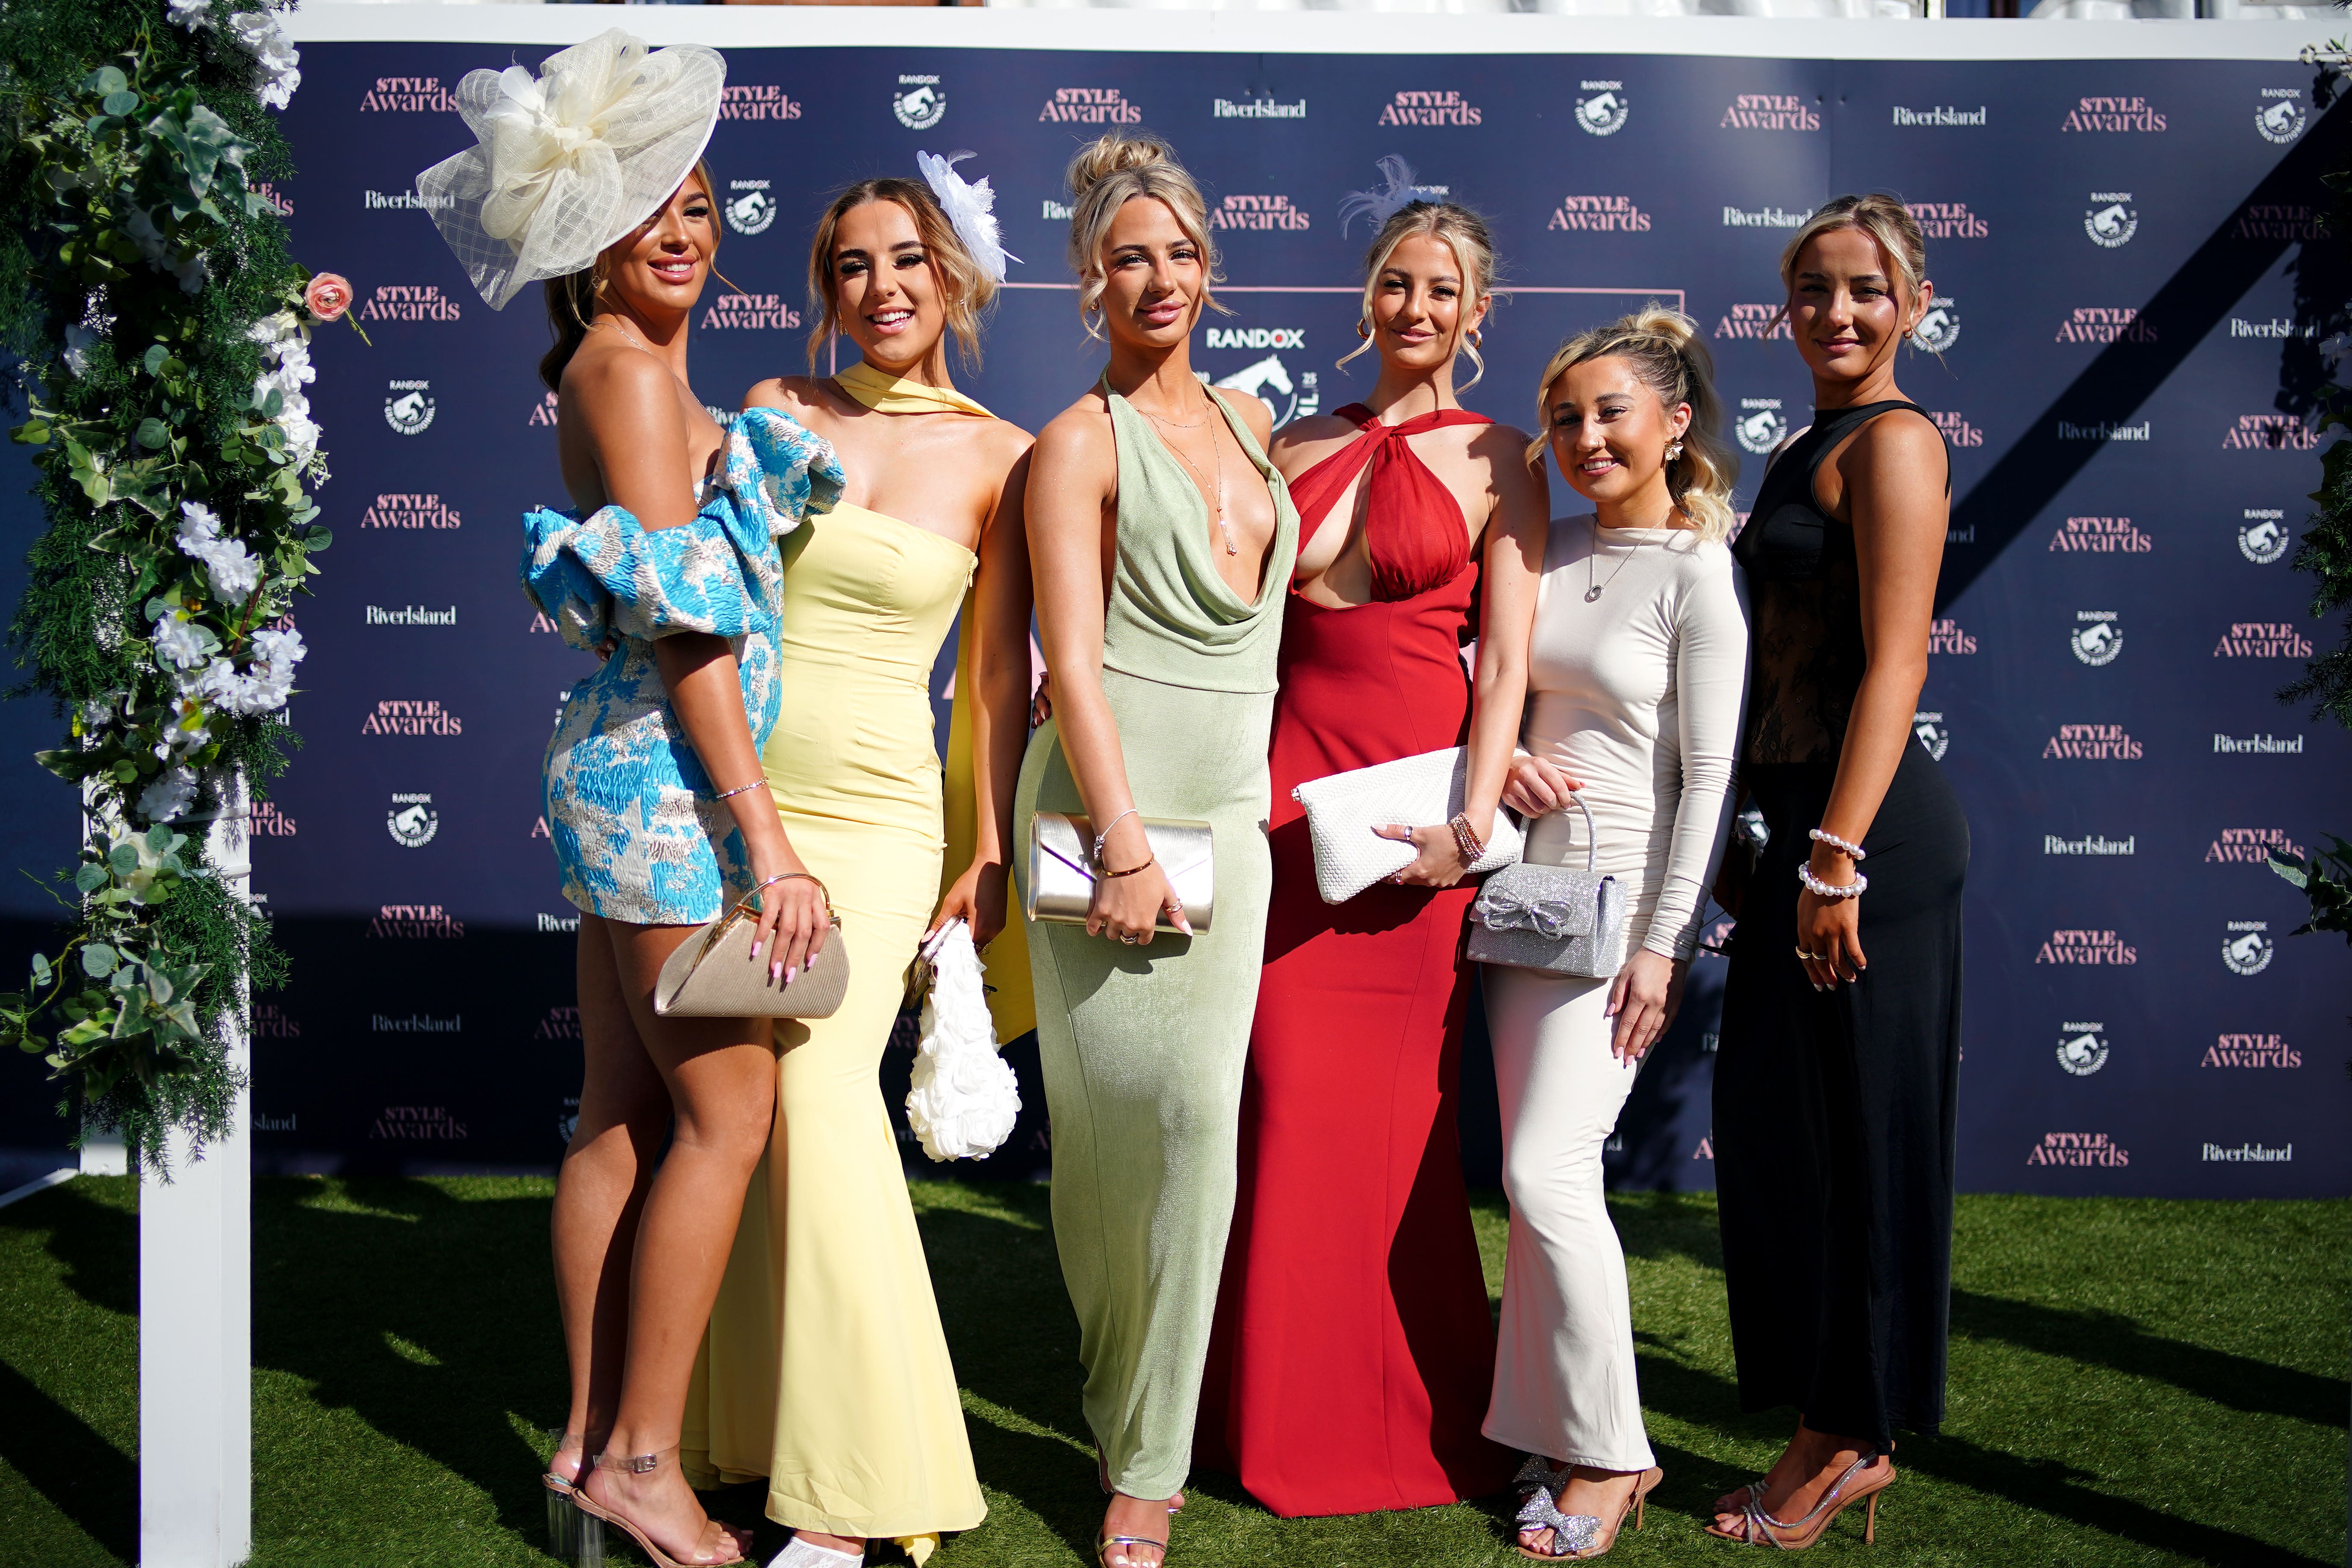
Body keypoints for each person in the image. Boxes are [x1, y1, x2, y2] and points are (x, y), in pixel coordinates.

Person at [419, 31, 838, 1568]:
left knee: (622, 1110)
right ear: (581, 235)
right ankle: (647, 1464)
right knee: (730, 1114)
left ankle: (589, 1443)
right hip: (664, 778)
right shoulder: (628, 372)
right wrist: (767, 835)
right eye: (647, 203)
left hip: (615, 765)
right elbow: (682, 620)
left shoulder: (632, 372)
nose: (683, 228)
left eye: (703, 205)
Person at [686, 161, 1033, 1568]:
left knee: (825, 1104)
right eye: (852, 266)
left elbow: (999, 677)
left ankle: (852, 1498)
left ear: (952, 277)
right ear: (825, 289)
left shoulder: (1006, 455)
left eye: (908, 260)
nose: (882, 288)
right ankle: (758, 1440)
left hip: (885, 818)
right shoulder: (772, 414)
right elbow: (700, 597)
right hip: (739, 803)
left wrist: (991, 844)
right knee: (744, 1112)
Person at [1194, 161, 1543, 1519]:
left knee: (1391, 1132)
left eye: (1440, 289)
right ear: (1367, 296)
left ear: (1476, 312)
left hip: (1411, 821)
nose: (1414, 303)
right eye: (1396, 281)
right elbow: (1229, 623)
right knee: (1276, 1114)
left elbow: (1504, 656)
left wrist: (1473, 819)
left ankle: (1415, 1424)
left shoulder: (1502, 455)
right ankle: (1258, 1416)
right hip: (1281, 809)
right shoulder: (1285, 446)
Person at [1015, 130, 1299, 1568]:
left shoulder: (1255, 421)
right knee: (1120, 1137)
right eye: (1132, 256)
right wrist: (1123, 842)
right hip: (1108, 807)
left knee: (1197, 1126)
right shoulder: (1078, 441)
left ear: (1211, 269)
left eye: (1183, 253)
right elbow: (1069, 657)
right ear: (1088, 280)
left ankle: (1148, 1455)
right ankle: (1129, 1398)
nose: (1161, 276)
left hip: (1231, 817)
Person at [1706, 194, 1966, 1550]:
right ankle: (1826, 1404)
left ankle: (1848, 1435)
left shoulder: (1897, 442)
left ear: (1912, 303)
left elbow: (1898, 661)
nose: (1838, 313)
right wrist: (1764, 844)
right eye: (1813, 289)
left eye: (1866, 289)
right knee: (1781, 1138)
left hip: (1867, 842)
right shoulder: (1801, 443)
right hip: (1800, 833)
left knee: (1862, 1143)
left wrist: (1835, 853)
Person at [1486, 308, 1748, 1558]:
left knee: (1547, 1170)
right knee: (1536, 1184)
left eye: (1614, 413)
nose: (1586, 436)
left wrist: (1667, 938)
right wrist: (1516, 760)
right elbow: (1501, 690)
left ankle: (1615, 1452)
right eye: (1567, 416)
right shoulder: (1544, 545)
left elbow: (1708, 776)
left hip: (1622, 912)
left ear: (1675, 425)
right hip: (1518, 904)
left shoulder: (1702, 571)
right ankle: (1544, 1422)